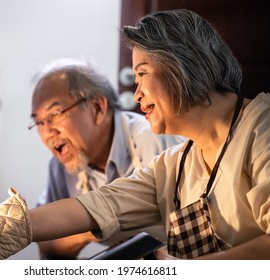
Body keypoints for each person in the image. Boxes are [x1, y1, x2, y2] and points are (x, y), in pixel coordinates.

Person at [0, 9, 270, 260]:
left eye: (143, 73)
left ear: (184, 66)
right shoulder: (178, 162)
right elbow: (100, 204)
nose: (137, 93)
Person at [28, 59, 184, 259]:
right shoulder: (62, 167)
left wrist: (79, 221)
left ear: (97, 108)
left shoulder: (151, 138)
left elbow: (192, 233)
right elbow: (49, 250)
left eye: (54, 115)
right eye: (38, 122)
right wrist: (88, 228)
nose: (47, 132)